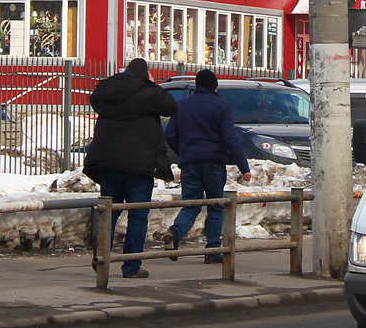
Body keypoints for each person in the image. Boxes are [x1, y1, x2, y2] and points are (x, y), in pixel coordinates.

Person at [84, 57, 178, 279]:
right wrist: (153, 84)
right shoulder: (148, 93)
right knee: (137, 216)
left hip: (108, 162)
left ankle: (101, 254)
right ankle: (131, 266)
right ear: (146, 74)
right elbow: (171, 107)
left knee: (109, 211)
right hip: (139, 164)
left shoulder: (107, 90)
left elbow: (94, 100)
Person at [163, 69, 252, 264]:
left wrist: (185, 152)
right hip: (213, 164)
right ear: (215, 86)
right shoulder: (223, 106)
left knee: (190, 204)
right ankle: (212, 250)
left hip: (189, 163)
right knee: (215, 206)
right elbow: (230, 138)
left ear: (197, 85)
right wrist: (243, 166)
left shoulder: (182, 106)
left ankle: (175, 232)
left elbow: (170, 134)